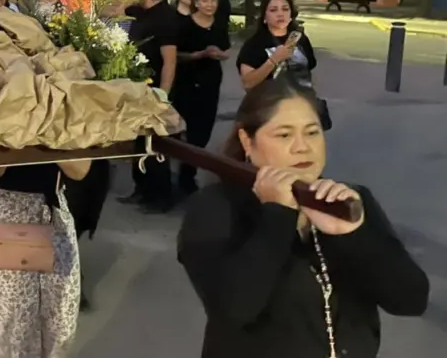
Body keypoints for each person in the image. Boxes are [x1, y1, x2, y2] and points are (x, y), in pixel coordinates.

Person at [178, 79, 428, 358]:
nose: (303, 147)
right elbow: (234, 308)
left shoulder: (348, 200)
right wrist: (278, 213)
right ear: (247, 141)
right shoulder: (215, 206)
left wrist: (354, 236)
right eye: (284, 135)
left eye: (312, 132)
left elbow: (411, 300)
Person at [0, 159, 90, 358]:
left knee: (60, 324)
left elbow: (79, 170)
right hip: (6, 213)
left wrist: (48, 133)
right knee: (12, 330)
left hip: (53, 213)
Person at [121, 0, 179, 213]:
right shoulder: (140, 11)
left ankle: (161, 196)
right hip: (137, 85)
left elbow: (170, 60)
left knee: (155, 143)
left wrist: (163, 94)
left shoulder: (166, 17)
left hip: (155, 86)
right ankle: (141, 188)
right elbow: (114, 9)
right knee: (138, 141)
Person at [172, 0, 230, 196]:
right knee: (185, 128)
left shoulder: (220, 24)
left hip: (210, 81)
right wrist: (199, 55)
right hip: (187, 81)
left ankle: (188, 171)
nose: (209, 5)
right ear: (196, 2)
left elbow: (226, 50)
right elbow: (175, 54)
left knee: (203, 131)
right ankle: (184, 176)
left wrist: (218, 54)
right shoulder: (185, 25)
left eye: (213, 1)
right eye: (205, 1)